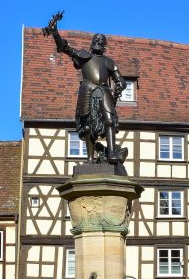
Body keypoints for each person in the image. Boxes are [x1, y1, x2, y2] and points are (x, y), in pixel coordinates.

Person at [43, 11, 128, 168]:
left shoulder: (109, 62)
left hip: (104, 91)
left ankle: (111, 153)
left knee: (110, 121)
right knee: (87, 125)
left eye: (100, 40)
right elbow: (64, 48)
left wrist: (121, 85)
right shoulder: (84, 56)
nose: (97, 41)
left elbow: (120, 79)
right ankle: (90, 158)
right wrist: (55, 31)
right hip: (87, 90)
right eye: (95, 39)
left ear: (104, 45)